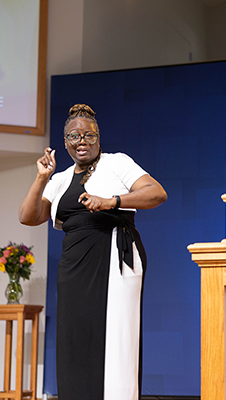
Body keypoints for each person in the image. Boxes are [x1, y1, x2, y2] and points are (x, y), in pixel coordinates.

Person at [19, 104, 167, 400]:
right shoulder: (59, 178)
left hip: (114, 253)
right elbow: (28, 216)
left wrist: (110, 201)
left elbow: (156, 193)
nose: (82, 140)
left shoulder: (117, 163)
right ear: (65, 142)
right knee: (75, 338)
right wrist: (41, 177)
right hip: (74, 264)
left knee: (115, 336)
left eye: (89, 134)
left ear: (99, 137)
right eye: (74, 136)